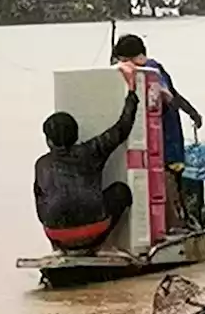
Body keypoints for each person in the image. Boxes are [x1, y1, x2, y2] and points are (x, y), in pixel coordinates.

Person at [33, 62, 139, 252]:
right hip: (94, 230)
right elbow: (122, 128)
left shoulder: (42, 164)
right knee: (121, 191)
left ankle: (60, 249)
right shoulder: (91, 151)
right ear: (75, 136)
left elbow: (40, 207)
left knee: (48, 200)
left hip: (56, 235)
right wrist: (132, 91)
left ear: (49, 141)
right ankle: (106, 245)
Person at [110, 34, 203, 234]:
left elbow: (168, 96)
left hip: (164, 140)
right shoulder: (148, 69)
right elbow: (175, 96)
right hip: (163, 140)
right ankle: (175, 223)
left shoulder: (148, 70)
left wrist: (188, 110)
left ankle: (174, 226)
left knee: (167, 181)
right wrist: (192, 112)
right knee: (166, 181)